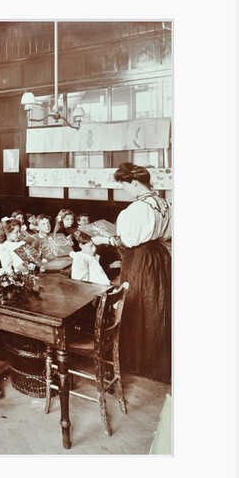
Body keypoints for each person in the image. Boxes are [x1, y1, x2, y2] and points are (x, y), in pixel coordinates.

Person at [90, 162, 172, 384]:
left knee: (138, 303)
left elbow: (127, 240)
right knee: (156, 303)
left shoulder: (138, 208)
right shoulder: (163, 204)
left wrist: (103, 239)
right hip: (158, 255)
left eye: (124, 186)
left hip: (140, 259)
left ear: (134, 183)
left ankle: (141, 362)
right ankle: (155, 359)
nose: (124, 190)